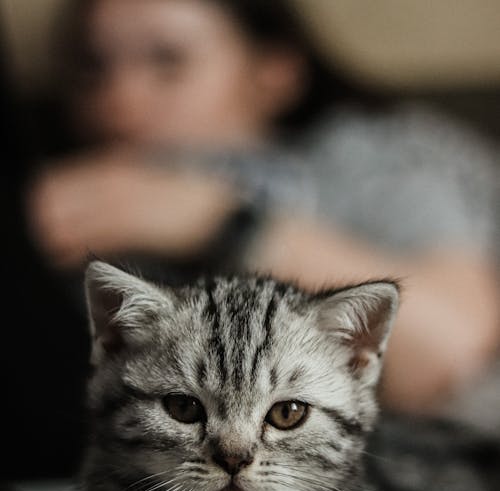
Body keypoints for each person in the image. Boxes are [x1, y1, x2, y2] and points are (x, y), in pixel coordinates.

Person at [25, 0, 500, 417]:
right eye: (91, 69)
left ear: (274, 73)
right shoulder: (60, 189)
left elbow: (448, 352)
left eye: (167, 62)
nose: (118, 101)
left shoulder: (374, 152)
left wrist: (220, 222)